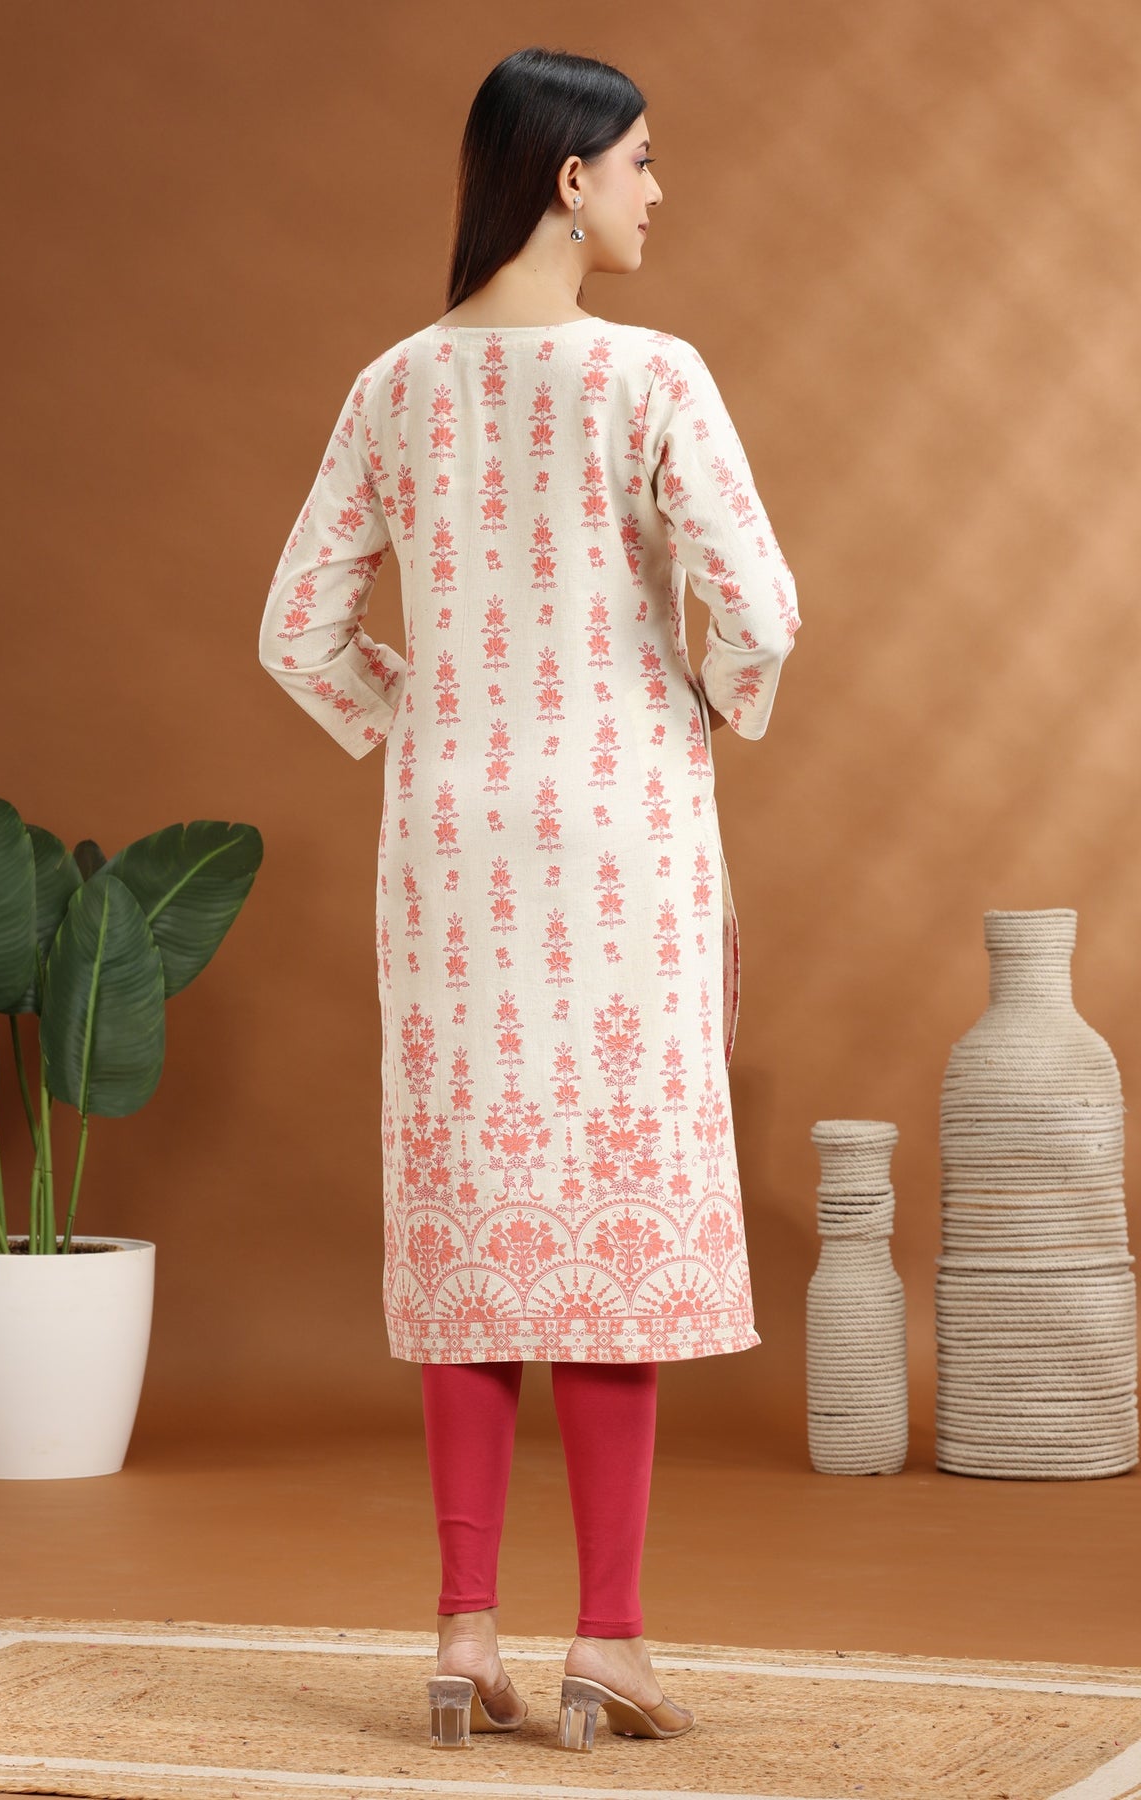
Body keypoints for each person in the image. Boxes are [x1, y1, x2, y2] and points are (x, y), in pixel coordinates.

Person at [258, 45, 801, 1754]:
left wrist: (414, 709)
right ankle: (608, 1644)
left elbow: (296, 632)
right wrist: (702, 704)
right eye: (640, 162)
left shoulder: (392, 388)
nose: (656, 191)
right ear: (569, 178)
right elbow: (761, 610)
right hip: (622, 847)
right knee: (607, 1230)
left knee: (478, 1222)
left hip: (454, 863)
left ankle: (462, 1634)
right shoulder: (651, 375)